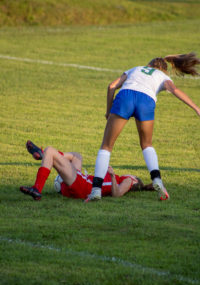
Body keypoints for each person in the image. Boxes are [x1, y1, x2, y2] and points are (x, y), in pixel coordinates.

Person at [87, 52, 200, 202]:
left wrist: (109, 111)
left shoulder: (136, 68)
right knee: (147, 144)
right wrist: (196, 109)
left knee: (106, 146)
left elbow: (111, 86)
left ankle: (96, 191)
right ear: (163, 69)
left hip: (125, 97)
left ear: (149, 64)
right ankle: (157, 181)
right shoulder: (163, 77)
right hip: (146, 101)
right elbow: (175, 90)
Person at [20, 141, 154, 201]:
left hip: (83, 187)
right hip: (83, 182)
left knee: (50, 151)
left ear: (135, 179)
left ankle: (37, 188)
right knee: (76, 156)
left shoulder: (129, 180)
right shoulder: (123, 179)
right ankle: (43, 156)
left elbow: (117, 194)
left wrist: (113, 176)